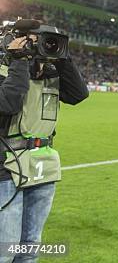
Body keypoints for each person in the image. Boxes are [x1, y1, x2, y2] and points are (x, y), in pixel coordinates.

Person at [0, 30, 89, 263]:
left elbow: (79, 94)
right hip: (7, 169)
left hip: (43, 166)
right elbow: (9, 102)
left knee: (30, 246)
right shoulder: (5, 71)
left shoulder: (52, 75)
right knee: (5, 249)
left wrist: (63, 58)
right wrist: (18, 60)